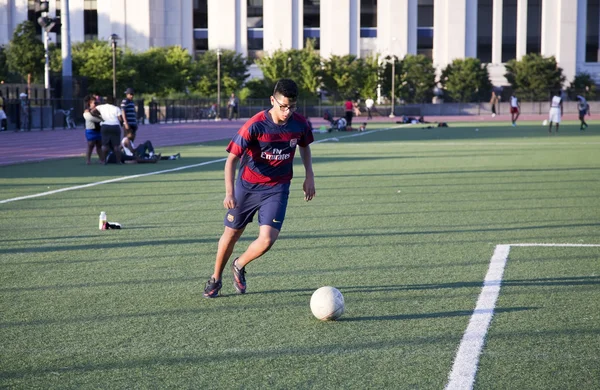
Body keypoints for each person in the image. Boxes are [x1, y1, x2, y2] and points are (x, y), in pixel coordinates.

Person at [203, 78, 316, 298]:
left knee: (267, 240)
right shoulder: (255, 125)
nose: (287, 111)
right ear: (272, 100)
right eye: (283, 106)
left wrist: (309, 176)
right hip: (247, 187)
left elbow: (305, 147)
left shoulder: (300, 123)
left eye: (292, 107)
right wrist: (229, 192)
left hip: (278, 188)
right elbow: (231, 160)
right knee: (232, 234)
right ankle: (216, 278)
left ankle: (239, 264)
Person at [93, 98, 123, 164]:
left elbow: (92, 111)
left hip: (105, 126)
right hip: (115, 125)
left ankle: (103, 161)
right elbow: (120, 119)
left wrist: (99, 117)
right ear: (113, 102)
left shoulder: (101, 107)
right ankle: (118, 161)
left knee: (104, 145)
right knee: (116, 146)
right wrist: (121, 124)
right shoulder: (116, 108)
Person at [83, 95, 104, 165]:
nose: (96, 104)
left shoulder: (99, 110)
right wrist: (100, 119)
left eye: (97, 103)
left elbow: (102, 117)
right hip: (91, 130)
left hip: (98, 129)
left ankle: (102, 159)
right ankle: (88, 160)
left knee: (99, 145)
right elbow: (91, 117)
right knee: (90, 145)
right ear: (90, 103)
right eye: (94, 103)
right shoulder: (87, 111)